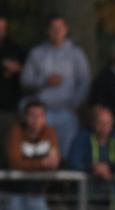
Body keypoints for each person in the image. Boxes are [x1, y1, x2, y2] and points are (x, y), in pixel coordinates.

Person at [20, 14, 90, 156]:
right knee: (40, 150)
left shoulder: (76, 54)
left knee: (66, 150)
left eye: (60, 27)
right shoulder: (37, 53)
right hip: (42, 111)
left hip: (66, 110)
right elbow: (25, 80)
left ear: (66, 29)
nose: (57, 31)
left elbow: (85, 81)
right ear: (48, 30)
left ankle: (63, 165)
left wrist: (75, 105)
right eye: (53, 28)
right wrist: (45, 81)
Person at [0, 15, 26, 164]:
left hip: (9, 108)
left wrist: (18, 69)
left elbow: (29, 74)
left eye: (2, 28)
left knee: (7, 146)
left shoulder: (15, 49)